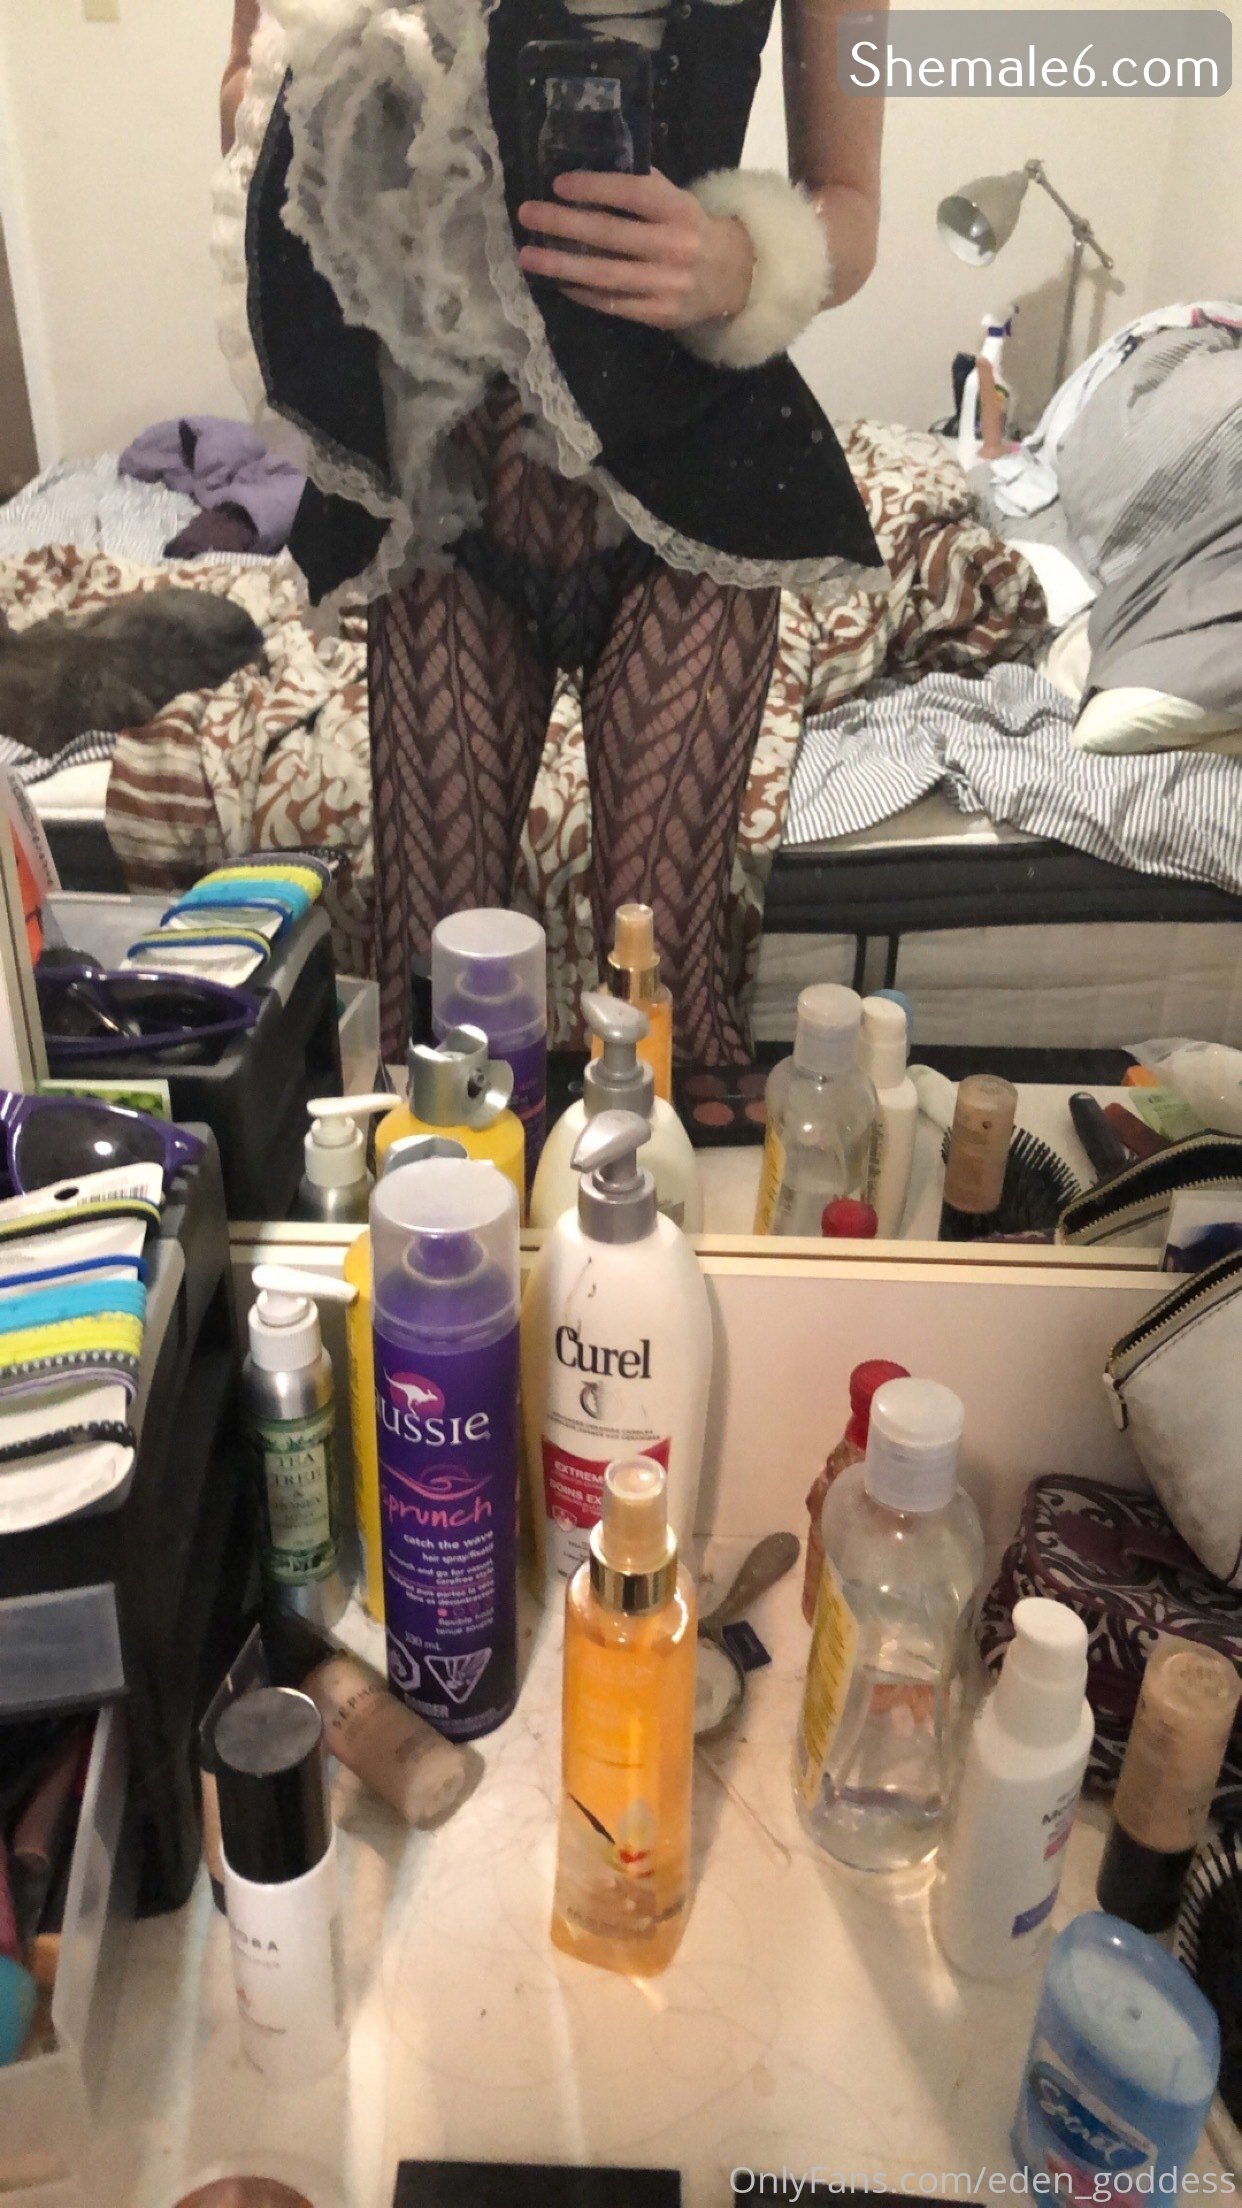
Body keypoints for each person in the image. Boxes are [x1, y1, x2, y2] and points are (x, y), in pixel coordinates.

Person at [220, 0, 887, 1065]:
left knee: (665, 1007)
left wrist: (741, 260)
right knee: (433, 1025)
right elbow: (243, 102)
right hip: (447, 485)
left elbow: (849, 203)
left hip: (691, 487)